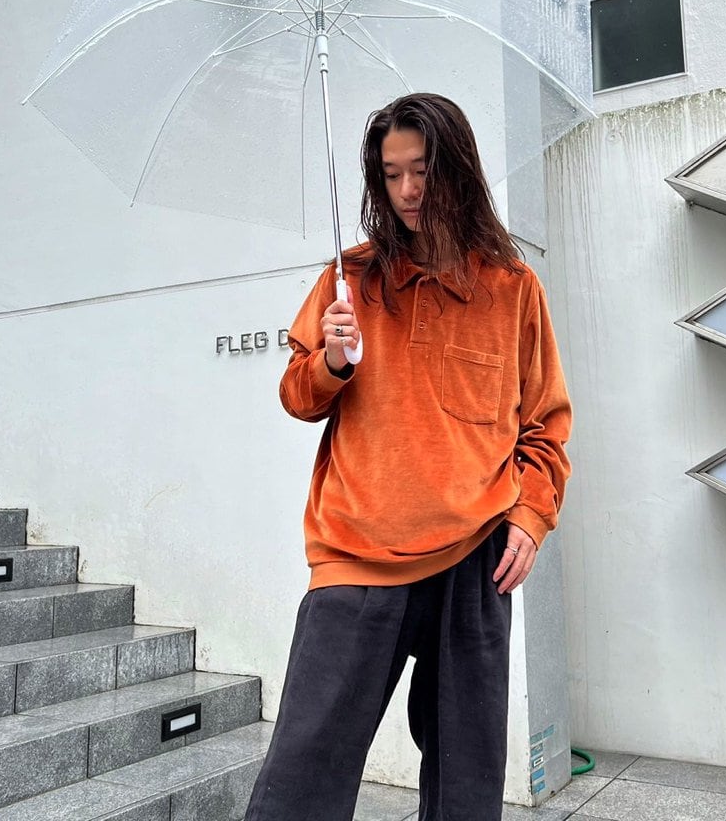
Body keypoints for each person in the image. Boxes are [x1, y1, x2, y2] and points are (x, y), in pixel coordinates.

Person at [244, 93, 572, 821]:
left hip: (476, 558)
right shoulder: (349, 281)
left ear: (458, 168)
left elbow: (545, 424)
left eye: (421, 170)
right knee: (302, 777)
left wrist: (530, 516)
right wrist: (332, 359)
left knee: (466, 785)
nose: (407, 191)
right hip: (358, 554)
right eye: (391, 175)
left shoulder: (512, 288)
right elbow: (298, 397)